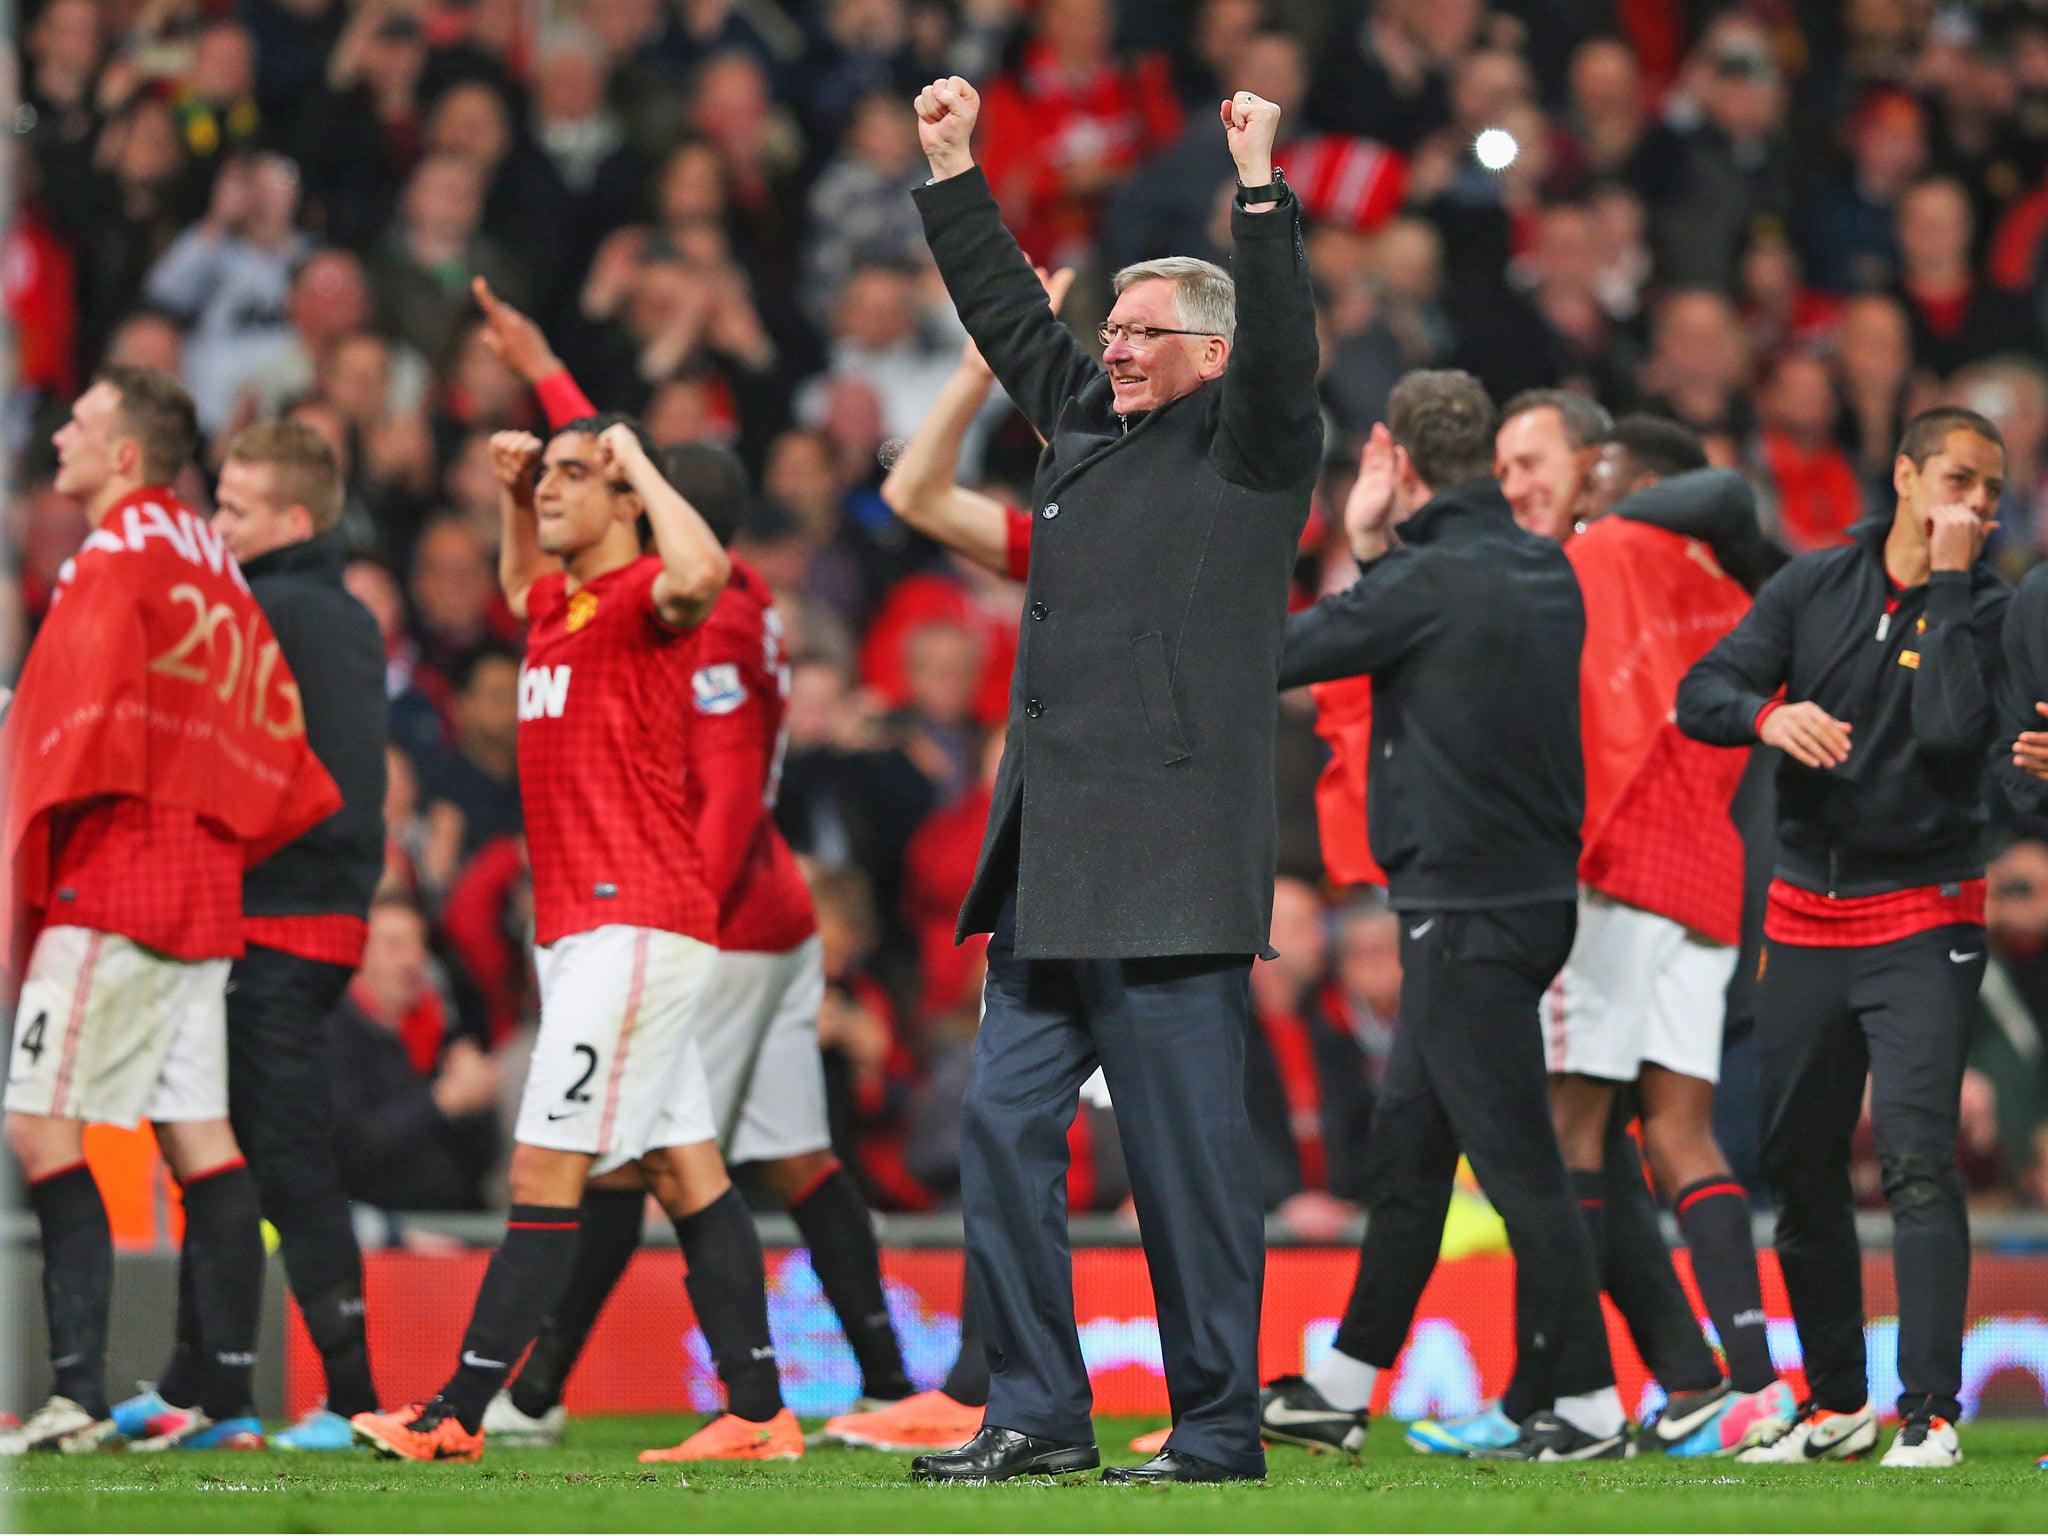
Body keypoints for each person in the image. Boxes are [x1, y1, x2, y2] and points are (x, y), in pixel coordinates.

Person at [902, 77, 1320, 1485]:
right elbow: (1014, 320)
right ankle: (1036, 1412)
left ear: (1213, 352)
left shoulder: (1256, 454)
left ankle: (1216, 1429)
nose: (1117, 348)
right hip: (1051, 865)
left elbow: (1286, 353)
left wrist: (1259, 189)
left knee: (1188, 1168)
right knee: (1001, 1127)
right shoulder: (1089, 427)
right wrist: (955, 171)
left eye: (1148, 334)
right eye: (1117, 327)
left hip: (1168, 869)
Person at [463, 286, 919, 1448]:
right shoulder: (751, 604)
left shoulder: (685, 612)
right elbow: (609, 478)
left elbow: (713, 789)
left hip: (688, 911)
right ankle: (863, 1381)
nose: (579, 486)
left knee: (623, 1167)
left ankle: (523, 1391)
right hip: (768, 917)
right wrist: (548, 367)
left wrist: (670, 920)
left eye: (604, 476)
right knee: (757, 1157)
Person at [348, 411, 797, 1463]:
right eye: (544, 474)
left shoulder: (652, 595)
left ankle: (455, 1412)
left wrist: (633, 455)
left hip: (631, 918)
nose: (549, 488)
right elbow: (515, 586)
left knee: (545, 1168)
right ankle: (758, 1410)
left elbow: (706, 566)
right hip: (594, 929)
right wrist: (513, 495)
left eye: (570, 475)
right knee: (684, 1170)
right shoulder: (559, 603)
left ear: (625, 499)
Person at [1414, 397, 1795, 1458]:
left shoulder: (1603, 553)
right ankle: (1750, 1389)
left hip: (1612, 867)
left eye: (1591, 472)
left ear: (1627, 485)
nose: (1568, 491)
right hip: (1706, 868)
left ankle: (1565, 1401)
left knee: (1559, 1140)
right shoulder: (1729, 590)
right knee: (1677, 1133)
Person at [1267, 369, 1628, 1461]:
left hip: (1461, 911)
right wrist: (1386, 550)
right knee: (1409, 1159)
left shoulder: (1423, 581)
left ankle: (1588, 1405)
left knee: (1519, 1172)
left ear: (1400, 460)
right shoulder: (1539, 567)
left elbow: (1280, 656)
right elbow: (1425, 640)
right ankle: (1338, 1384)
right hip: (1517, 902)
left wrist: (1363, 540)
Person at [2, 368, 341, 1454]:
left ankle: (75, 1392)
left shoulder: (115, 553)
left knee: (39, 1118)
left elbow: (75, 713)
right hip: (202, 881)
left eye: (82, 424)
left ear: (128, 457)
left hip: (120, 875)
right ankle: (231, 1402)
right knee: (201, 1136)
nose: (61, 436)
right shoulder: (205, 552)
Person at [1677, 405, 2011, 1469]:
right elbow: (1703, 691)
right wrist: (1766, 719)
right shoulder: (1811, 583)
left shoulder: (1989, 610)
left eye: (1993, 492)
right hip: (1803, 910)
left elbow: (1957, 732)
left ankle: (1928, 1413)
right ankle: (1833, 1404)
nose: (1979, 506)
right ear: (1907, 476)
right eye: (1961, 479)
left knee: (1916, 1157)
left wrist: (1953, 586)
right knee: (1798, 1160)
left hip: (1925, 909)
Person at [107, 419, 390, 1452]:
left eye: (231, 508)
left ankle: (352, 1394)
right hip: (306, 911)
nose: (212, 524)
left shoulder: (268, 613)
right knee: (219, 1145)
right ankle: (196, 1376)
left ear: (292, 518)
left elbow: (278, 777)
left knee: (274, 1154)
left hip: (275, 916)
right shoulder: (337, 614)